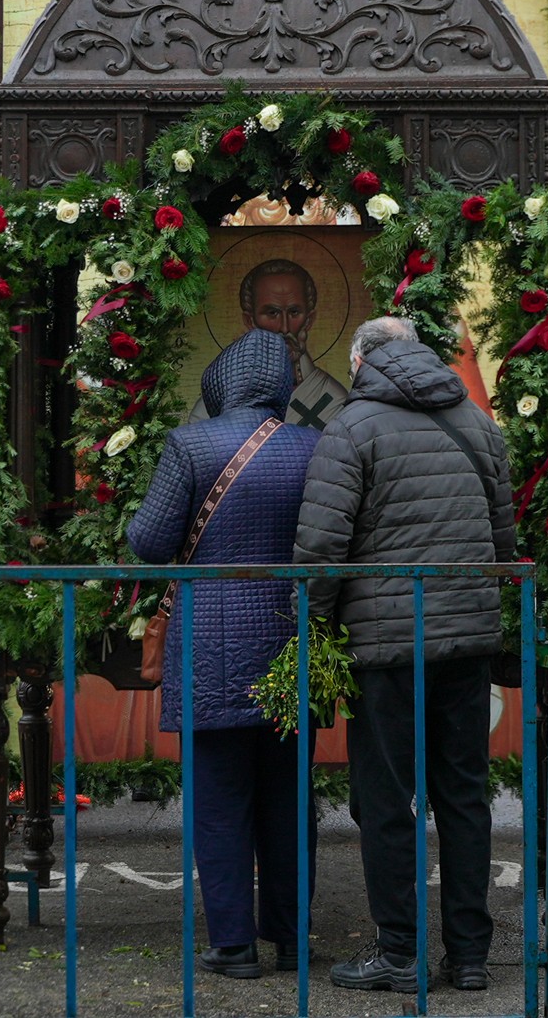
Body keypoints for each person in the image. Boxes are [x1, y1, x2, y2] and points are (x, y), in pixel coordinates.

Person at [293, 315, 515, 994]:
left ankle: (398, 952)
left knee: (387, 800)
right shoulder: (478, 424)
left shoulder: (352, 428)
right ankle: (469, 956)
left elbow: (322, 547)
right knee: (464, 794)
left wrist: (312, 631)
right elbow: (503, 541)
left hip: (386, 645)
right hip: (467, 639)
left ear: (361, 363)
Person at [127, 328, 322, 979]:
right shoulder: (314, 446)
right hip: (290, 646)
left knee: (218, 802)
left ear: (224, 379)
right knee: (289, 800)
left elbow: (150, 543)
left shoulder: (191, 444)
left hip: (209, 647)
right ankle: (292, 940)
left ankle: (234, 945)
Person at [190, 258, 350, 429]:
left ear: (309, 319)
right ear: (250, 320)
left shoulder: (332, 397)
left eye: (294, 312)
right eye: (272, 313)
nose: (284, 328)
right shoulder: (216, 402)